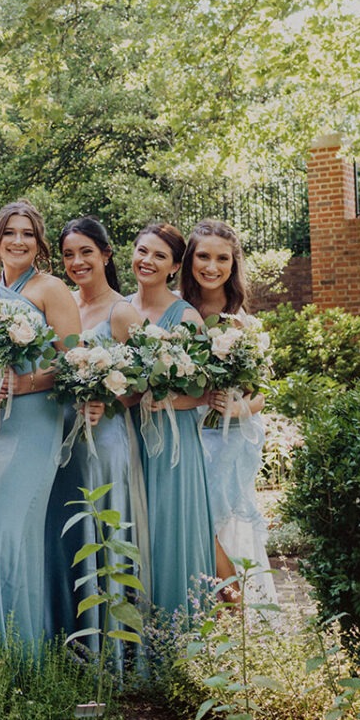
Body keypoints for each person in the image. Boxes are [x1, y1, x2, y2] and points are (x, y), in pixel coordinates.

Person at [0, 200, 81, 650]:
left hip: (35, 423)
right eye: (10, 232)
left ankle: (19, 650)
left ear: (39, 243)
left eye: (28, 233)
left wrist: (24, 383)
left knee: (3, 531)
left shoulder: (52, 290)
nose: (18, 240)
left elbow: (74, 363)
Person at [44, 217, 148, 666]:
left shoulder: (121, 312)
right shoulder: (62, 305)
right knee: (66, 532)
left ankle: (114, 645)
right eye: (68, 254)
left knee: (103, 529)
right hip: (63, 438)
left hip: (104, 440)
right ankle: (72, 638)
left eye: (86, 251)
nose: (77, 262)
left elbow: (146, 382)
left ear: (106, 254)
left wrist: (110, 398)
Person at [181, 219, 277, 608]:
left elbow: (260, 396)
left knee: (218, 523)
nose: (211, 266)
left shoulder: (243, 323)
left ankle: (237, 612)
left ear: (233, 264)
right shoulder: (175, 313)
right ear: (189, 260)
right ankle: (205, 612)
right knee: (193, 522)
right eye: (203, 256)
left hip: (228, 440)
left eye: (222, 258)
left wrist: (239, 408)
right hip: (186, 432)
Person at [128, 222, 216, 621]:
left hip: (172, 441)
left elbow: (204, 393)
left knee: (170, 531)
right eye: (142, 251)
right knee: (135, 530)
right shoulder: (123, 308)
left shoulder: (186, 317)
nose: (147, 261)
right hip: (128, 436)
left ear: (174, 266)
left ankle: (181, 632)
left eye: (159, 256)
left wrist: (162, 400)